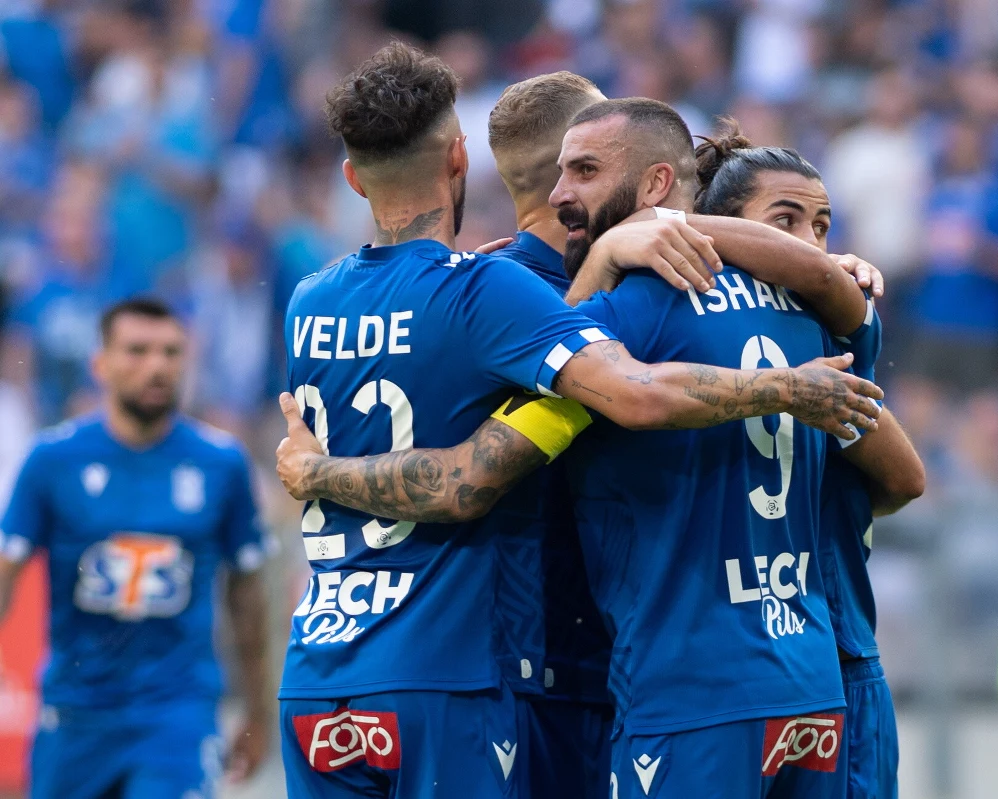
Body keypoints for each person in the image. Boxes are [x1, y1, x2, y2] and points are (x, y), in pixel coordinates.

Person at [277, 44, 883, 799]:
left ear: (351, 177)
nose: (569, 184)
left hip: (327, 664)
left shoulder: (311, 300)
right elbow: (616, 401)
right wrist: (806, 336)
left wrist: (313, 473)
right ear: (459, 158)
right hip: (526, 677)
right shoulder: (502, 293)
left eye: (585, 167)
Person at [691, 124, 926, 799]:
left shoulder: (837, 314)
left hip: (836, 650)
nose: (812, 244)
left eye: (822, 225)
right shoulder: (686, 322)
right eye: (785, 220)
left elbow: (905, 479)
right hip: (746, 664)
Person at [0, 297, 271, 799]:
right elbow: (5, 574)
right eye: (138, 350)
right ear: (99, 364)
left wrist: (257, 712)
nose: (157, 366)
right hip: (75, 711)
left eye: (171, 352)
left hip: (176, 712)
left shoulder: (221, 464)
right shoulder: (52, 460)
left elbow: (247, 596)